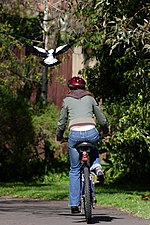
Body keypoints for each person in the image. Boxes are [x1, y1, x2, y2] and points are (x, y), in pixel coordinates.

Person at [56, 76, 109, 214]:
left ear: (70, 88)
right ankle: (97, 165)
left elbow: (61, 122)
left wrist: (59, 136)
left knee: (74, 169)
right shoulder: (90, 98)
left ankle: (74, 204)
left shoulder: (67, 100)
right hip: (91, 132)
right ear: (84, 87)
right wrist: (105, 131)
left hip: (74, 135)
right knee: (93, 144)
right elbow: (102, 119)